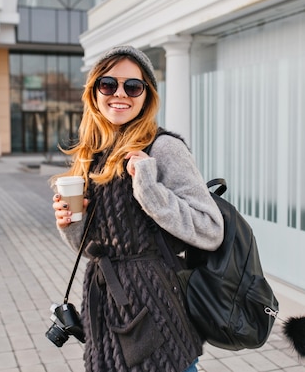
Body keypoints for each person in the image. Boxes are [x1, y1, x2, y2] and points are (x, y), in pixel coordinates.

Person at [51, 45, 223, 372]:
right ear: (94, 92)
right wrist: (71, 225)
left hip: (158, 313)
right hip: (105, 312)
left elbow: (209, 229)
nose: (120, 94)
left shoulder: (164, 147)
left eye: (133, 86)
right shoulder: (90, 153)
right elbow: (94, 250)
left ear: (147, 95)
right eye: (108, 84)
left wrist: (149, 188)